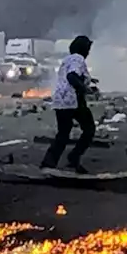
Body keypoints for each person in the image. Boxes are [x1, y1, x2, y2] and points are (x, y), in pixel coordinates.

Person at [40, 35, 99, 174]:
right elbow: (71, 76)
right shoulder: (78, 58)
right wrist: (86, 89)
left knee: (63, 134)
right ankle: (73, 157)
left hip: (60, 100)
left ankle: (48, 163)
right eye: (88, 48)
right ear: (83, 48)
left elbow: (73, 75)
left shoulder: (67, 59)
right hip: (73, 100)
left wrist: (89, 80)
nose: (89, 52)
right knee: (89, 129)